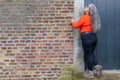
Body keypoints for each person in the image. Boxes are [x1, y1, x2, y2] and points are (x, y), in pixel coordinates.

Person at [71, 4, 102, 78]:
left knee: (88, 55)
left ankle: (90, 72)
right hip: (93, 37)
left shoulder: (84, 18)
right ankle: (97, 66)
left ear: (89, 10)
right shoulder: (94, 19)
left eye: (87, 6)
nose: (85, 7)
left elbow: (76, 26)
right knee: (90, 53)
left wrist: (72, 21)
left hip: (86, 38)